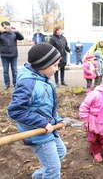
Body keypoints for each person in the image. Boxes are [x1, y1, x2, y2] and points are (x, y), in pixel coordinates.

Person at [7, 43, 67, 179]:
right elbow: (15, 111)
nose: (56, 69)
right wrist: (41, 122)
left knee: (60, 153)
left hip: (48, 129)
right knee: (53, 170)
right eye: (55, 65)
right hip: (38, 134)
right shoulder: (28, 84)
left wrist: (57, 119)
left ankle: (38, 176)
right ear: (43, 65)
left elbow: (46, 107)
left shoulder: (44, 80)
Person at [0, 21, 24, 90]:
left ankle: (15, 83)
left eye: (8, 26)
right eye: (5, 26)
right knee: (5, 71)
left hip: (13, 54)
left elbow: (21, 38)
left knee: (14, 70)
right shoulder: (1, 34)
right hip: (4, 55)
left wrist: (17, 31)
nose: (6, 28)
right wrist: (1, 31)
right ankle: (7, 84)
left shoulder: (14, 33)